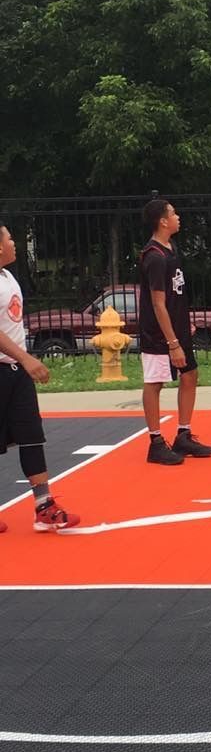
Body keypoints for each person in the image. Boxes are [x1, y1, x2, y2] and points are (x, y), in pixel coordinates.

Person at [0, 223, 80, 532]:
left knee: (32, 435)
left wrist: (21, 360)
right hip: (7, 367)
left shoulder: (8, 276)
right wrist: (25, 357)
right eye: (9, 238)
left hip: (16, 372)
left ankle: (43, 506)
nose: (14, 243)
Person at [139, 198, 211, 465]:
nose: (178, 216)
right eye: (173, 213)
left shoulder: (171, 249)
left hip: (178, 327)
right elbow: (158, 303)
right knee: (155, 382)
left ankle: (183, 434)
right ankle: (156, 442)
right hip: (158, 333)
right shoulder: (154, 257)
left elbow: (175, 294)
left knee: (190, 374)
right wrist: (172, 342)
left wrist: (185, 323)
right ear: (162, 221)